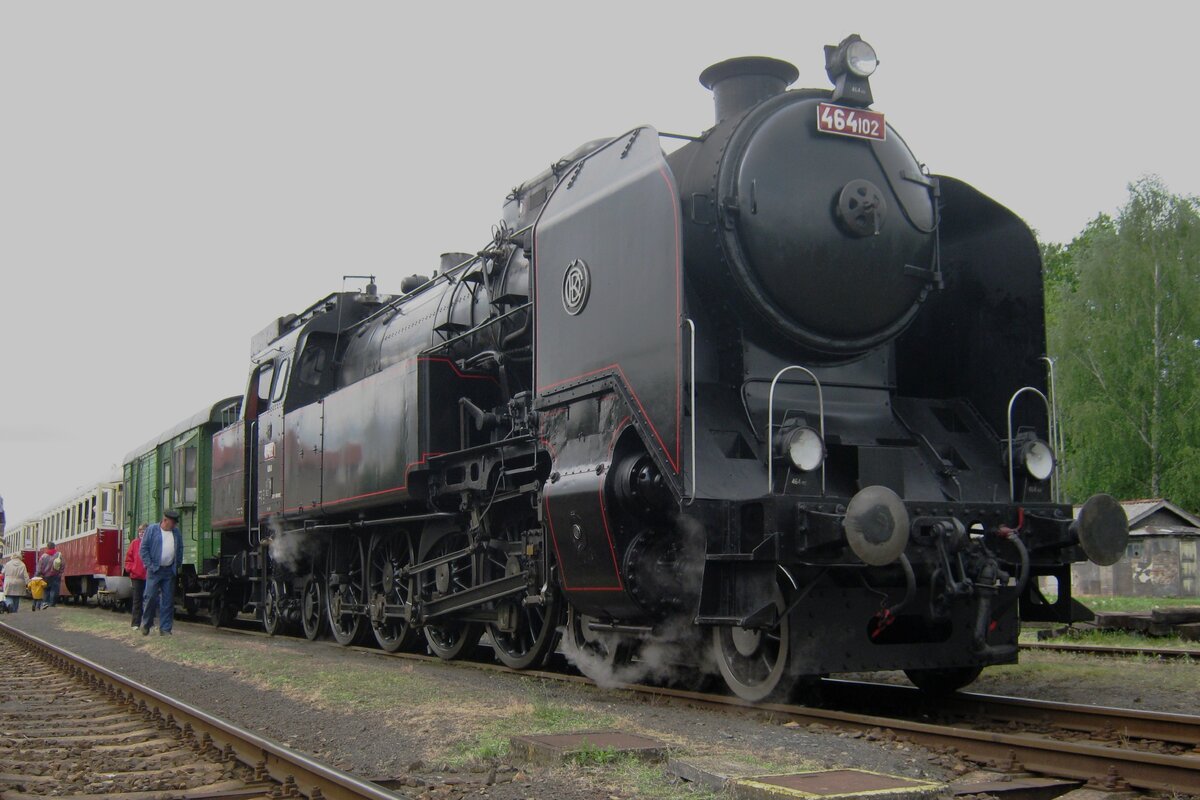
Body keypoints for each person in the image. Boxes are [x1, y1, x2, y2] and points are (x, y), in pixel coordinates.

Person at [139, 510, 183, 636]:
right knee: (150, 597)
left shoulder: (176, 533)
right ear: (165, 521)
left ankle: (165, 628)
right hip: (154, 570)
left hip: (169, 570)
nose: (174, 525)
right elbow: (143, 549)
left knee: (168, 601)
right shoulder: (152, 530)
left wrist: (177, 564)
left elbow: (180, 549)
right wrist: (150, 565)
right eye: (173, 522)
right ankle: (146, 624)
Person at [124, 524, 148, 630]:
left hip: (149, 576)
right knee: (137, 600)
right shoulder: (134, 543)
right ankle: (135, 624)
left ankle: (148, 623)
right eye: (140, 532)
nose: (141, 533)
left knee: (149, 600)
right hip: (136, 576)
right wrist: (131, 569)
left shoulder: (151, 544)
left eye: (144, 531)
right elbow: (128, 559)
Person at [34, 541, 66, 609]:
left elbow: (39, 567)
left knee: (46, 590)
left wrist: (37, 574)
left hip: (45, 576)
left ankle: (45, 603)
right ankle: (52, 604)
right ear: (54, 547)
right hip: (56, 575)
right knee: (54, 590)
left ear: (47, 547)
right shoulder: (59, 555)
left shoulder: (43, 556)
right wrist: (60, 573)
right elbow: (63, 564)